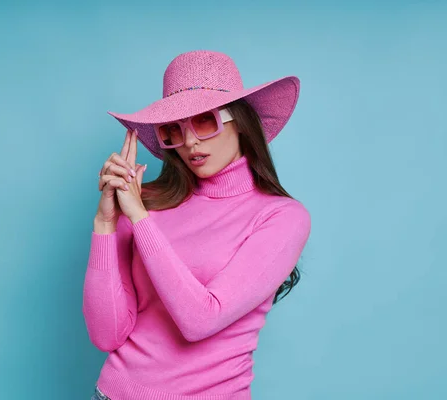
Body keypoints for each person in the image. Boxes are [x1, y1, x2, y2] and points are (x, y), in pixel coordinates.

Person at [83, 50, 312, 400]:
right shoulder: (145, 202)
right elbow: (107, 335)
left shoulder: (281, 217)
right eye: (173, 129)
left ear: (241, 122)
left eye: (205, 121)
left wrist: (140, 220)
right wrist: (105, 223)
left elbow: (200, 320)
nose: (190, 142)